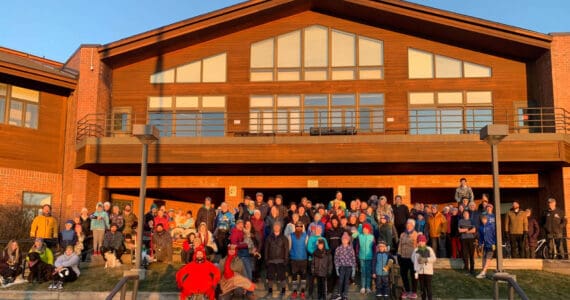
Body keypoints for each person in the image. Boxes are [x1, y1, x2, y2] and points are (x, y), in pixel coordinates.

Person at [264, 222, 289, 299]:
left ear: (280, 228)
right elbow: (266, 249)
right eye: (275, 226)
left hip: (281, 260)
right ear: (273, 227)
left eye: (278, 226)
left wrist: (286, 260)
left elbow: (286, 249)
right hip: (271, 260)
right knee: (270, 277)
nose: (276, 227)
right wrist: (266, 260)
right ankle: (270, 291)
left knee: (282, 277)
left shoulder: (284, 238)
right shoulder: (269, 237)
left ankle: (283, 291)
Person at [352, 223, 375, 295]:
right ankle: (363, 287)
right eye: (364, 229)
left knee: (368, 272)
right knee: (363, 272)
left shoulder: (372, 237)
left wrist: (374, 255)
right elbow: (353, 235)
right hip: (361, 256)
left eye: (366, 229)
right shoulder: (360, 236)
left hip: (369, 256)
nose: (365, 230)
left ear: (369, 230)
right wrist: (359, 228)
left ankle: (368, 287)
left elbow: (374, 247)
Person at [411, 234, 436, 300]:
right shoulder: (416, 250)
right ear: (417, 242)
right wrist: (417, 260)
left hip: (428, 272)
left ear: (425, 242)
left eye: (422, 241)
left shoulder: (429, 249)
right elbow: (412, 259)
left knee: (428, 287)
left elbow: (434, 258)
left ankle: (430, 298)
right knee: (422, 288)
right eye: (419, 241)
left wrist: (426, 259)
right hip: (420, 272)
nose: (421, 242)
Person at [398, 219, 418, 299]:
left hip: (412, 258)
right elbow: (400, 245)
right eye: (407, 224)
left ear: (413, 225)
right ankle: (407, 290)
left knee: (413, 275)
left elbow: (418, 246)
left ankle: (414, 291)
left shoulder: (416, 234)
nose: (408, 225)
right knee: (404, 275)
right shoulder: (402, 234)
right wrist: (399, 254)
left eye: (410, 224)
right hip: (403, 257)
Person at [333, 232, 356, 300]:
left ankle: (345, 295)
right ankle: (339, 294)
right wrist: (337, 268)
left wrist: (353, 268)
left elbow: (353, 258)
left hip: (349, 267)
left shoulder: (350, 248)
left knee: (346, 281)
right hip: (341, 267)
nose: (344, 241)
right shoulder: (338, 248)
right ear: (341, 240)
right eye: (343, 239)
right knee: (340, 280)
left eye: (346, 239)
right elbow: (336, 258)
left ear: (348, 240)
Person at [289, 221, 309, 299]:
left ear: (302, 227)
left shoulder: (306, 235)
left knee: (303, 277)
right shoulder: (291, 235)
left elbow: (307, 247)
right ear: (295, 227)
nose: (299, 228)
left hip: (303, 259)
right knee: (294, 277)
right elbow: (289, 247)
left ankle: (302, 292)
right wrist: (291, 254)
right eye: (297, 226)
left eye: (301, 226)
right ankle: (295, 292)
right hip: (294, 259)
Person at [476, 214, 496, 279]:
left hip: (491, 244)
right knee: (484, 258)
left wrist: (494, 243)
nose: (483, 220)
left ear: (487, 219)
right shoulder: (481, 227)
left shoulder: (491, 226)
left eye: (485, 219)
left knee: (488, 258)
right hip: (485, 245)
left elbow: (495, 234)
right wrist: (480, 244)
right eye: (482, 219)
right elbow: (481, 237)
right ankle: (483, 272)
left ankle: (484, 271)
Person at [458, 210, 476, 275]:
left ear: (469, 214)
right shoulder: (460, 221)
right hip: (463, 239)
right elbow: (459, 230)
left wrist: (465, 231)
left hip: (471, 239)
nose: (465, 214)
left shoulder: (472, 221)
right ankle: (466, 269)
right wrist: (468, 229)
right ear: (463, 215)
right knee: (465, 254)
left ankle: (472, 269)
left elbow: (474, 230)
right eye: (464, 214)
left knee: (471, 254)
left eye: (466, 213)